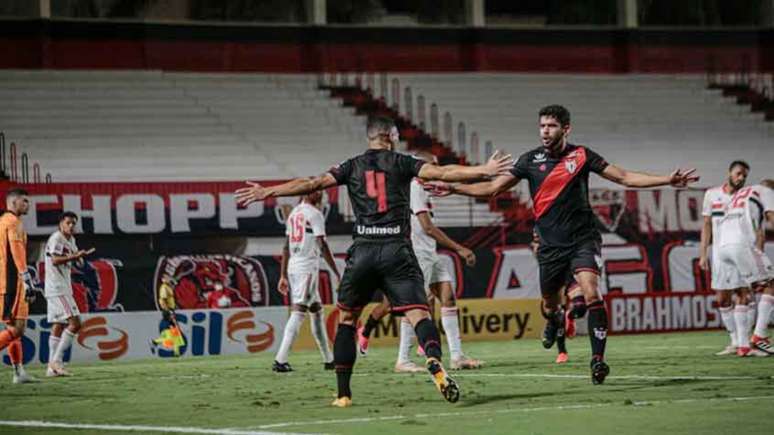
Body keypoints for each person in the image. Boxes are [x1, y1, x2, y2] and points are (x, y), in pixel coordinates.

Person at [236, 115, 513, 406]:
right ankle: (433, 359)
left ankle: (343, 394)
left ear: (370, 138)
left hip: (364, 251)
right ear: (390, 136)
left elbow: (312, 182)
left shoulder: (351, 165)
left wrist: (267, 191)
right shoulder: (403, 162)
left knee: (346, 319)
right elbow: (442, 174)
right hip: (397, 250)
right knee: (420, 314)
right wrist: (485, 169)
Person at [425, 105, 698, 384]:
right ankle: (554, 320)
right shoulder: (529, 160)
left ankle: (597, 360)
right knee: (550, 304)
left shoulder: (581, 156)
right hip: (549, 247)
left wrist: (667, 179)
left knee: (592, 293)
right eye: (542, 126)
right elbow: (491, 188)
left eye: (551, 126)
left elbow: (624, 177)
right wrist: (454, 188)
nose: (545, 131)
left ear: (566, 129)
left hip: (583, 239)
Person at [358, 151, 483, 372]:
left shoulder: (423, 189)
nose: (435, 170)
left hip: (429, 253)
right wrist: (459, 248)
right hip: (416, 254)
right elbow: (427, 227)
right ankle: (402, 359)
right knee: (415, 304)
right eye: (432, 165)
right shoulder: (414, 187)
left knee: (447, 296)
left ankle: (457, 356)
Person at [701, 168, 774, 357]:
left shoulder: (742, 192)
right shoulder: (767, 192)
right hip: (740, 245)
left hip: (722, 248)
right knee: (771, 283)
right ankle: (759, 336)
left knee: (744, 291)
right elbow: (771, 218)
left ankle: (742, 345)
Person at [273, 191, 338, 372]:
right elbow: (322, 245)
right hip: (306, 267)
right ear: (309, 194)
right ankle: (280, 360)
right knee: (299, 310)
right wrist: (336, 272)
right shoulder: (314, 214)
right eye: (318, 191)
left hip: (295, 265)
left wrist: (283, 274)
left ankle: (329, 359)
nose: (322, 195)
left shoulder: (294, 213)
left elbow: (286, 246)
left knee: (316, 310)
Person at [44, 211, 94, 376]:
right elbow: (55, 260)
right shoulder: (56, 238)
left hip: (61, 287)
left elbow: (76, 261)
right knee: (76, 323)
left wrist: (81, 257)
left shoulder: (71, 240)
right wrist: (75, 256)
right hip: (57, 288)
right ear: (61, 224)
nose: (71, 226)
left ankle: (51, 369)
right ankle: (57, 361)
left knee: (58, 325)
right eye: (68, 223)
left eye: (73, 223)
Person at [0, 188, 37, 384]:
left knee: (12, 327)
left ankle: (18, 371)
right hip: (13, 282)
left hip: (4, 282)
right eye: (24, 201)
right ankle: (18, 371)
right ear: (13, 203)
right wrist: (27, 279)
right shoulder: (13, 223)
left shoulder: (2, 221)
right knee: (18, 330)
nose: (27, 205)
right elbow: (17, 253)